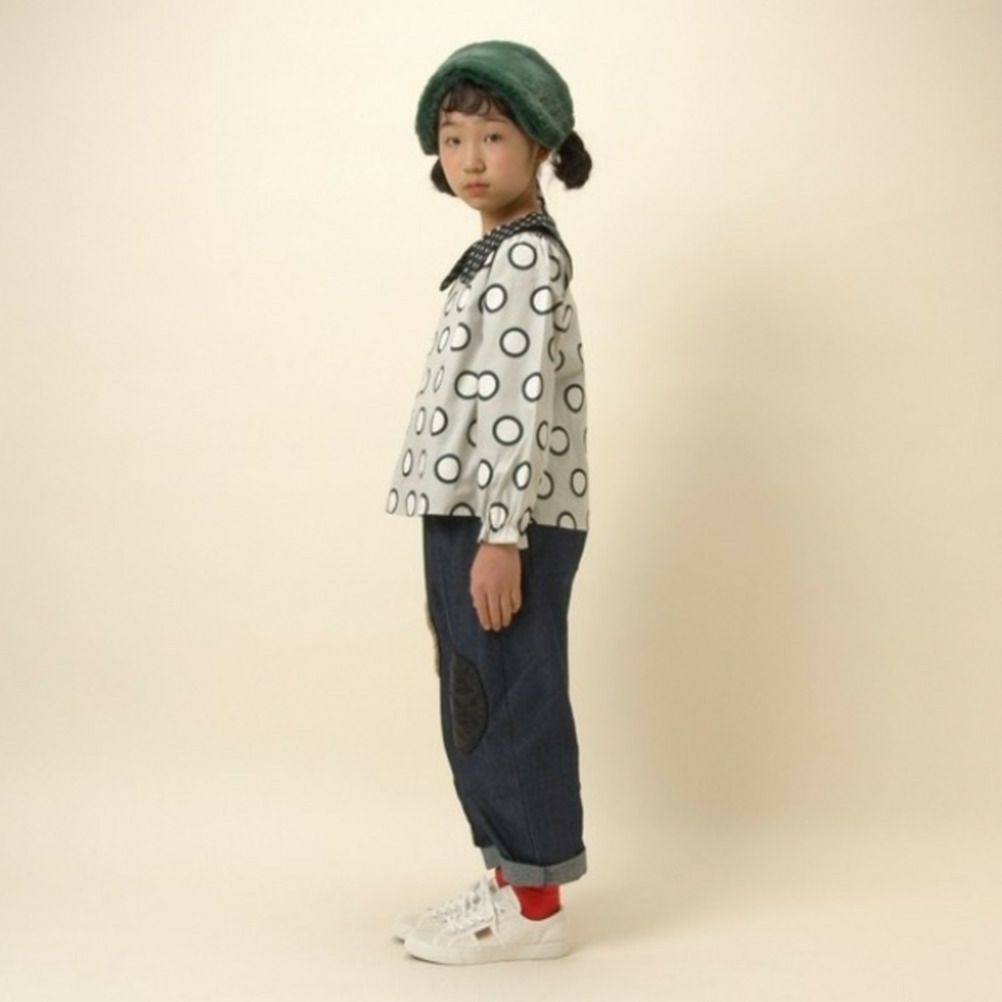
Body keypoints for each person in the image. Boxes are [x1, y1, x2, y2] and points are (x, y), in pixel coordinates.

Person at [383, 39, 594, 965]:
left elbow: (518, 404)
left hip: (501, 520)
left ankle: (536, 910)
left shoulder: (526, 261)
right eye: (453, 137)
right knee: (476, 696)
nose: (470, 158)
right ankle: (510, 881)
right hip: (469, 512)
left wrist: (501, 535)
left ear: (541, 146)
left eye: (495, 136)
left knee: (508, 700)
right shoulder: (493, 255)